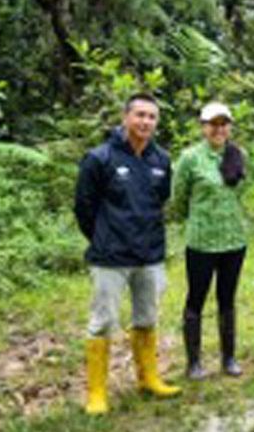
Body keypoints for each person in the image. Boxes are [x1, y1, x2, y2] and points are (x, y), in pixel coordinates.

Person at [74, 93, 180, 415]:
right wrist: (103, 237)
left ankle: (148, 379)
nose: (146, 122)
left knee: (147, 318)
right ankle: (97, 393)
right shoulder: (99, 158)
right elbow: (84, 207)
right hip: (111, 257)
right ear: (125, 117)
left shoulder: (161, 160)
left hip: (150, 254)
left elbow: (161, 200)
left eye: (152, 117)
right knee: (102, 322)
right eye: (140, 115)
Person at [172, 102, 248, 379]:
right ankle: (193, 362)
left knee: (227, 299)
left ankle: (228, 358)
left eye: (223, 123)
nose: (219, 129)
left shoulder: (239, 155)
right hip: (201, 242)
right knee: (196, 299)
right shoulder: (190, 158)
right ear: (203, 127)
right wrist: (197, 218)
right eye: (213, 124)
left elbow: (240, 193)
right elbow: (179, 199)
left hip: (234, 240)